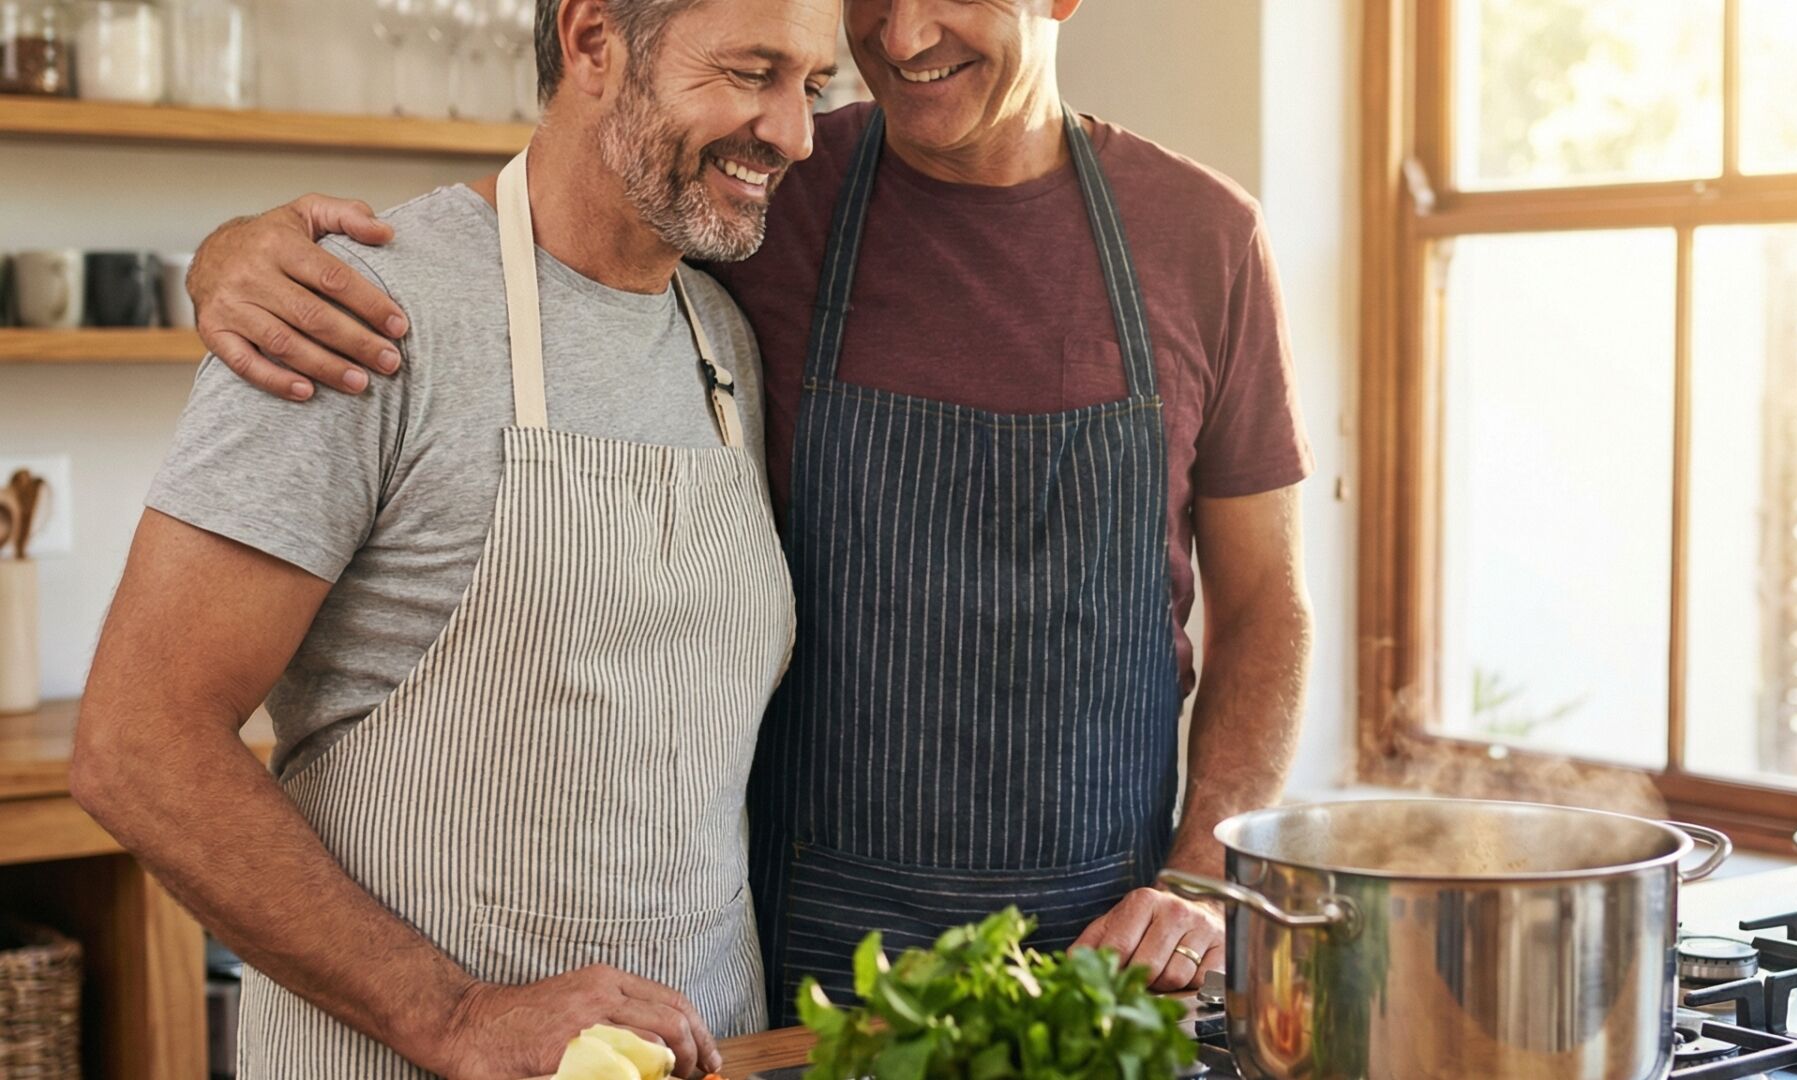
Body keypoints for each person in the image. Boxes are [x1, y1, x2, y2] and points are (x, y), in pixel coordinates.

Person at [183, 0, 1315, 1022]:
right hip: (805, 973)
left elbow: (1267, 607)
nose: (904, 37)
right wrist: (237, 257)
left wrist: (1200, 879)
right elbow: (563, 202)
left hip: (1111, 962)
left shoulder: (1206, 237)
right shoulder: (775, 193)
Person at [70, 0, 838, 1074]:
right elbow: (137, 744)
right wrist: (456, 1014)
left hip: (703, 1052)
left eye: (814, 86)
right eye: (752, 72)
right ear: (592, 40)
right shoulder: (355, 311)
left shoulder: (723, 343)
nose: (796, 133)